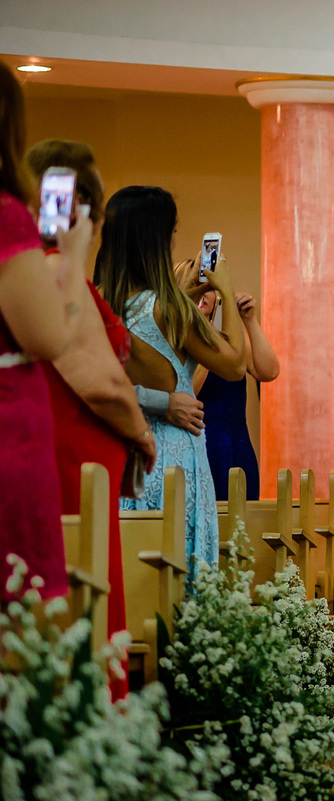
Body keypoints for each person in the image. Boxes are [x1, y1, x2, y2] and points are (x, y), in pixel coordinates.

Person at [26, 140, 157, 693]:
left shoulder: (29, 270)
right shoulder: (59, 271)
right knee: (83, 591)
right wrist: (141, 433)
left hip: (65, 452)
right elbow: (99, 383)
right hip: (73, 456)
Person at [94, 186, 246, 575]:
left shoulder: (98, 302)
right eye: (173, 231)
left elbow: (91, 383)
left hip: (121, 452)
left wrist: (181, 296)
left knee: (131, 571)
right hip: (173, 457)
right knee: (179, 573)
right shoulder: (172, 309)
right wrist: (225, 289)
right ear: (157, 239)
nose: (175, 240)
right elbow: (235, 364)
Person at [0, 63, 93, 600]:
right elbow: (50, 338)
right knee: (18, 598)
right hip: (9, 428)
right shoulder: (7, 218)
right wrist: (74, 255)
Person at [182, 261, 279, 501]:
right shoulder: (179, 341)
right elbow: (190, 390)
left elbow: (269, 371)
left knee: (241, 521)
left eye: (208, 286)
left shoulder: (230, 342)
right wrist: (208, 338)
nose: (203, 292)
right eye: (195, 284)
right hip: (197, 449)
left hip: (237, 446)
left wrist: (249, 321)